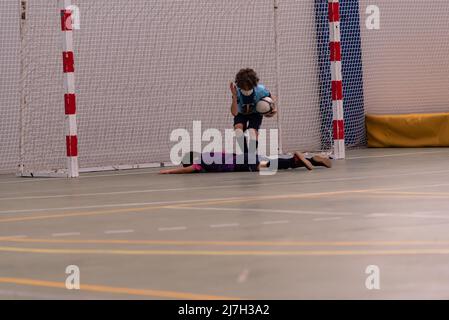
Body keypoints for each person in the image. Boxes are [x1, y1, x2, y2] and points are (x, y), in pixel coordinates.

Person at [230, 68, 277, 153]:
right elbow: (234, 112)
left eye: (248, 87)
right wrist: (234, 95)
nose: (246, 89)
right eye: (244, 87)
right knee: (238, 129)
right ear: (240, 84)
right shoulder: (236, 92)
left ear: (253, 84)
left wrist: (273, 108)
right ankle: (245, 154)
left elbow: (271, 97)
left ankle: (251, 155)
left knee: (253, 132)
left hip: (255, 113)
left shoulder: (261, 90)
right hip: (241, 113)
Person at [159, 151, 331, 174]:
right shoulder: (208, 154)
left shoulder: (200, 164)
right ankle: (311, 161)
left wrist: (168, 172)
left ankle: (296, 157)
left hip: (244, 164)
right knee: (275, 163)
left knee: (271, 165)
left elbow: (188, 169)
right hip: (245, 158)